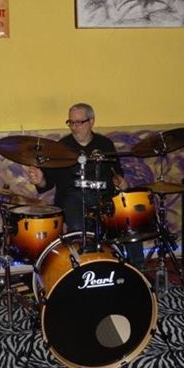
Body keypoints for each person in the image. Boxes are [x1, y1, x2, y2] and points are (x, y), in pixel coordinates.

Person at [27, 103, 145, 268]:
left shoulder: (105, 144)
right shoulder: (60, 148)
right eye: (71, 122)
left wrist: (120, 181)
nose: (74, 127)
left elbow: (116, 173)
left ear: (91, 121)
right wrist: (40, 180)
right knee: (78, 226)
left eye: (79, 122)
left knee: (129, 219)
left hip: (103, 198)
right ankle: (87, 269)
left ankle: (137, 269)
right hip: (71, 198)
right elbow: (47, 183)